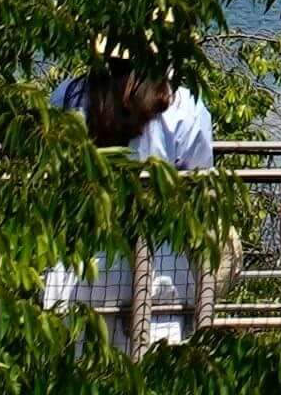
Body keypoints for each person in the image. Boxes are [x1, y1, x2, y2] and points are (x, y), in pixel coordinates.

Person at [40, 53, 219, 351]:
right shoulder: (185, 105)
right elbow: (199, 187)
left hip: (82, 263)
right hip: (160, 265)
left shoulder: (69, 96)